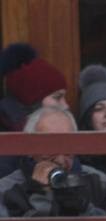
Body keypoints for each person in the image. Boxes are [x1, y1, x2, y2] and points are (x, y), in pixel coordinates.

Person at [0, 43, 69, 179]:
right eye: (57, 97)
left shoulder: (65, 135)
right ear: (33, 102)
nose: (65, 106)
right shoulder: (5, 149)